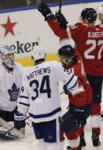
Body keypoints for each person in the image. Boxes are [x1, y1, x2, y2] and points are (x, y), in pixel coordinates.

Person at [37, 3, 103, 147]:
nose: (61, 60)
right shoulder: (95, 33)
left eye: (62, 58)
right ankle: (94, 134)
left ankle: (79, 138)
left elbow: (63, 32)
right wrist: (56, 20)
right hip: (97, 73)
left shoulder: (80, 30)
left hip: (83, 83)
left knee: (75, 110)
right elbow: (63, 34)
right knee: (95, 105)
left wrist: (56, 21)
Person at [14, 45, 82, 150]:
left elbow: (24, 99)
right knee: (53, 145)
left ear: (32, 58)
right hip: (51, 115)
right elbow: (73, 81)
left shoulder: (26, 74)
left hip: (35, 116)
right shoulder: (53, 66)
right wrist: (69, 87)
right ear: (45, 56)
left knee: (41, 143)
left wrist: (20, 115)